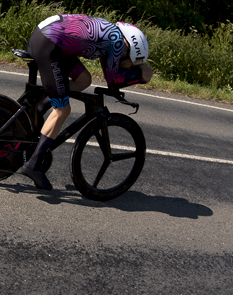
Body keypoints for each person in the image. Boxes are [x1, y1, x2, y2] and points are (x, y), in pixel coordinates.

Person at [17, 14, 153, 190]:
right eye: (132, 62)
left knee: (83, 80)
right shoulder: (118, 43)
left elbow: (109, 74)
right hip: (49, 46)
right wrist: (140, 76)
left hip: (48, 39)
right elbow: (113, 81)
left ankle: (41, 107)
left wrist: (132, 73)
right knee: (63, 110)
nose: (128, 65)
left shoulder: (112, 34)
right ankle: (33, 165)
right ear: (130, 48)